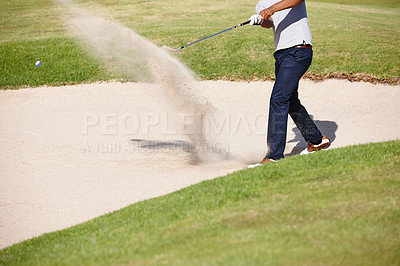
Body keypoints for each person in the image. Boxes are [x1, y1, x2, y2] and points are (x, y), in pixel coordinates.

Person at [247, 0, 330, 168]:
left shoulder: (272, 4)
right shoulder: (261, 3)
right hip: (282, 53)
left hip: (299, 49)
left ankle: (274, 155)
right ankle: (317, 140)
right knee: (289, 100)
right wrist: (260, 21)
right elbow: (269, 23)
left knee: (278, 99)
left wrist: (271, 9)